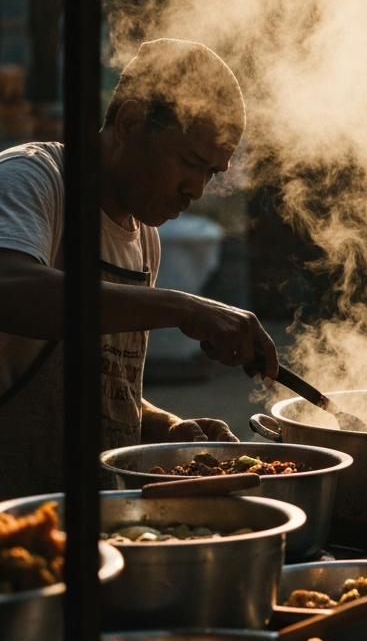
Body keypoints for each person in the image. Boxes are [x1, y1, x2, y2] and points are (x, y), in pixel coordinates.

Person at [0, 38, 280, 499]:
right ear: (130, 122)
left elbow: (106, 393)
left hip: (88, 524)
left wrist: (167, 428)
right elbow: (10, 287)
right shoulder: (33, 180)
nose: (196, 189)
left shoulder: (143, 239)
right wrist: (184, 309)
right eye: (190, 162)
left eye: (212, 172)